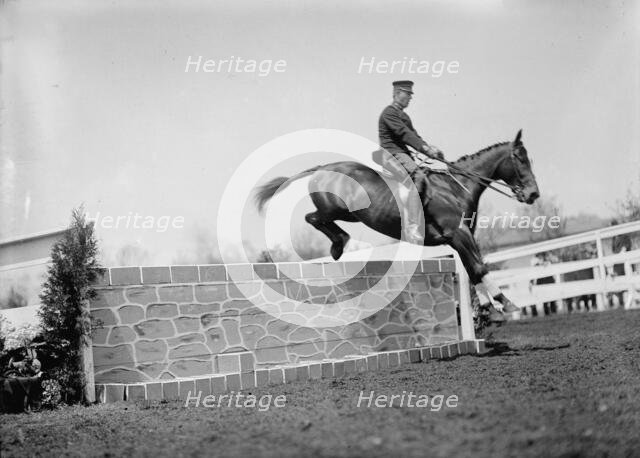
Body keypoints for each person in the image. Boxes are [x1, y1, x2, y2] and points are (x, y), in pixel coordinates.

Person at [378, 80, 446, 244]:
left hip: (402, 154)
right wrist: (425, 149)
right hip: (391, 155)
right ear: (397, 94)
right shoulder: (389, 113)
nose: (410, 98)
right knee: (419, 177)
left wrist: (431, 150)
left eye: (410, 95)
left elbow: (413, 135)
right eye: (407, 94)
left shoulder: (403, 115)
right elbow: (404, 134)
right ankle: (413, 226)